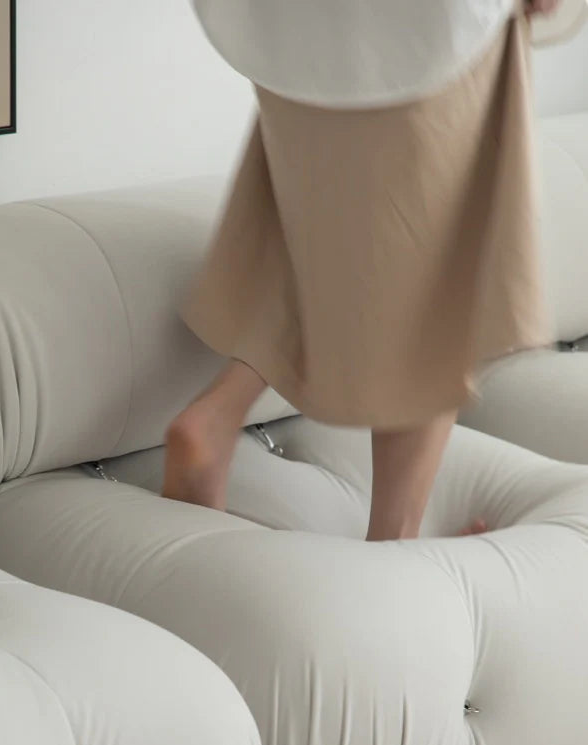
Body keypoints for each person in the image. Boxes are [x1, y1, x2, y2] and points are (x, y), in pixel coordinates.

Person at [163, 0, 563, 540]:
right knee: (440, 262)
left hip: (293, 27)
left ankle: (216, 417)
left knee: (328, 220)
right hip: (428, 26)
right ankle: (393, 541)